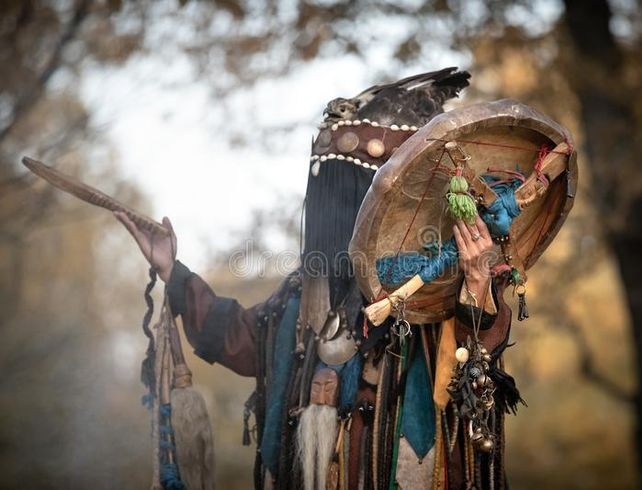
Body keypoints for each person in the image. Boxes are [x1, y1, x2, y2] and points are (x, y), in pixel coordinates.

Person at [116, 68, 521, 489]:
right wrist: (173, 273)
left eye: (348, 192)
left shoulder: (440, 290)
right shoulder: (305, 294)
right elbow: (243, 336)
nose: (334, 212)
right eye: (328, 191)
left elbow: (478, 374)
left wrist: (476, 288)